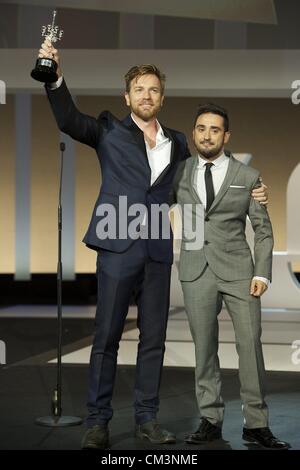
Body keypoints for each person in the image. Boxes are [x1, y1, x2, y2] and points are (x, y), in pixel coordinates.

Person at [37, 41, 268, 449]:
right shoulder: (108, 129)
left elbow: (207, 172)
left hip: (158, 252)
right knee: (106, 338)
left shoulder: (179, 142)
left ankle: (147, 420)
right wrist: (54, 76)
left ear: (162, 98)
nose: (147, 95)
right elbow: (70, 119)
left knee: (154, 340)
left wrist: (253, 190)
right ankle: (98, 422)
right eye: (139, 89)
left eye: (154, 89)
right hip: (117, 247)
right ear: (127, 97)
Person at [172, 103, 290, 450]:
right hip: (196, 271)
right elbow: (152, 202)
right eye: (201, 128)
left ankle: (256, 424)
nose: (207, 135)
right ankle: (210, 419)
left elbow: (264, 231)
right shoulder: (178, 173)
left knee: (250, 347)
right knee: (204, 349)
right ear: (194, 133)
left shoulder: (248, 177)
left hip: (240, 272)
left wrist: (263, 274)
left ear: (226, 136)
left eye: (214, 129)